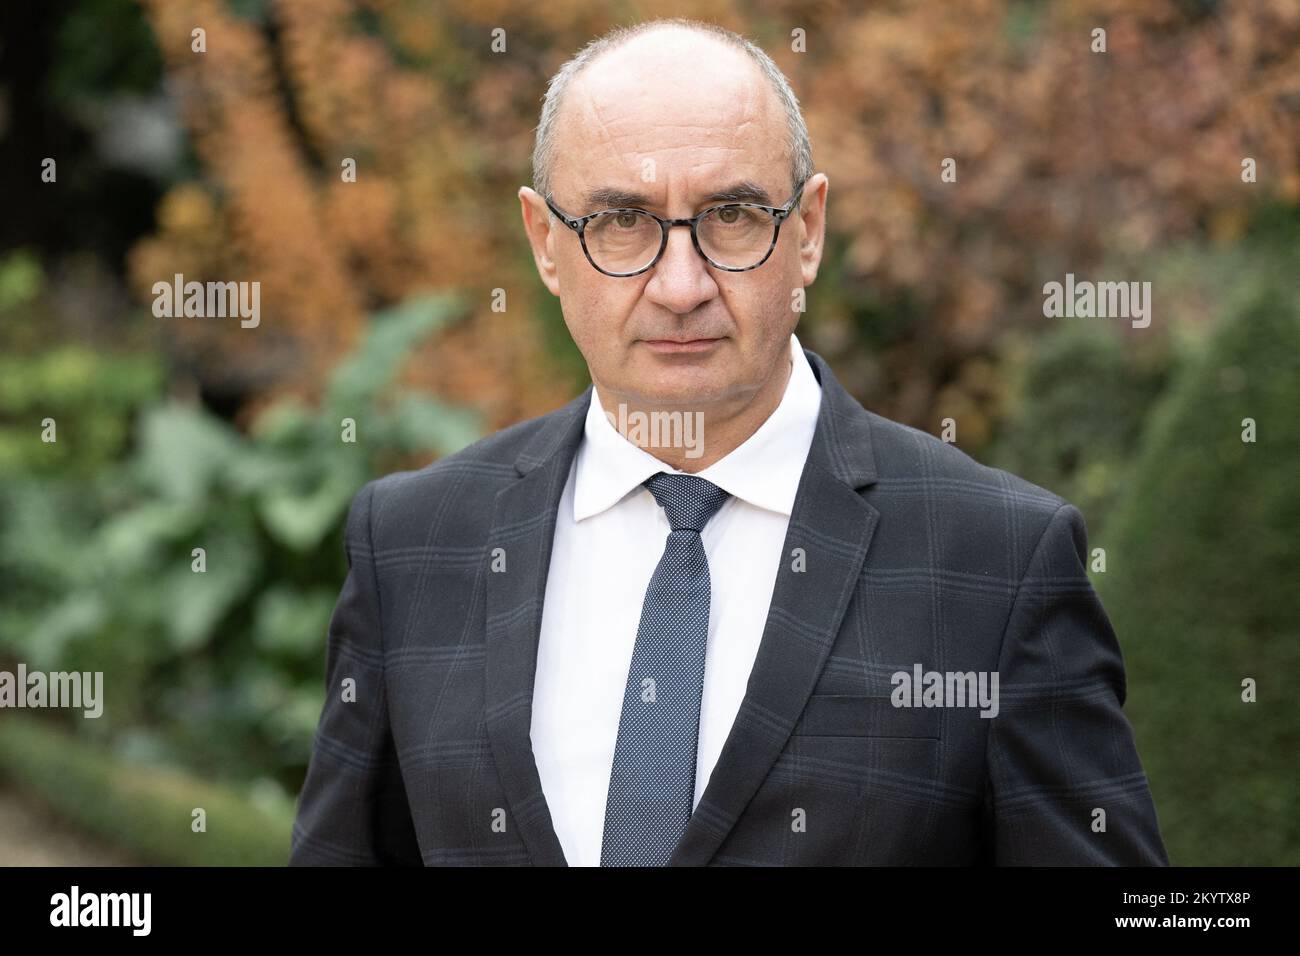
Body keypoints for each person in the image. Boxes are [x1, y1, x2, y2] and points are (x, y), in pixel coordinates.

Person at [289, 17, 1168, 866]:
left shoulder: (999, 561)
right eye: (622, 221)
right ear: (546, 242)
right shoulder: (413, 545)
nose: (680, 284)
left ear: (809, 230)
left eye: (734, 215)